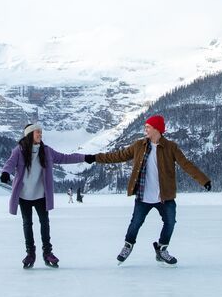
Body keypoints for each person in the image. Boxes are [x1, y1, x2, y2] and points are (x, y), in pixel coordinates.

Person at [86, 114, 211, 266]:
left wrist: (203, 180)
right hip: (143, 196)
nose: (145, 129)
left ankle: (162, 249)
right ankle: (128, 246)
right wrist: (95, 158)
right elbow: (118, 156)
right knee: (135, 223)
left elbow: (186, 164)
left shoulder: (171, 147)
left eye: (148, 127)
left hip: (164, 197)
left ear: (157, 129)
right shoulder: (139, 145)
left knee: (170, 222)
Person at [0, 122, 86, 269]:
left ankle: (47, 253)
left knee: (45, 223)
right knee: (27, 224)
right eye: (37, 132)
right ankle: (30, 254)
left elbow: (65, 158)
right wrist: (5, 172)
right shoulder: (19, 151)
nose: (40, 134)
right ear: (29, 135)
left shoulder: (46, 151)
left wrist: (85, 157)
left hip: (41, 195)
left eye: (41, 132)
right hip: (24, 196)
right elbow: (10, 163)